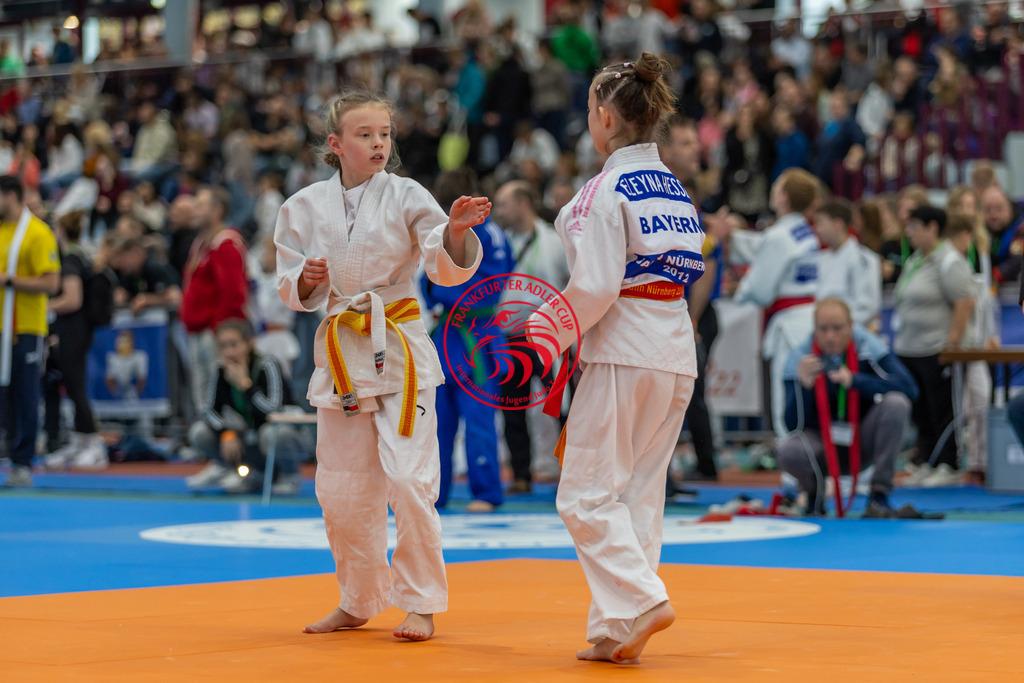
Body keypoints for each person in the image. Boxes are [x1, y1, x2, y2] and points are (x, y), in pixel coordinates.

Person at [275, 90, 491, 642]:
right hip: (343, 352)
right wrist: (307, 281)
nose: (378, 143)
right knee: (342, 488)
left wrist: (458, 231)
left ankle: (420, 602)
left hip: (398, 346)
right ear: (336, 144)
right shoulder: (301, 207)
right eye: (365, 134)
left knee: (409, 477)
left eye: (385, 134)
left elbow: (443, 265)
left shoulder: (407, 194)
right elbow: (288, 283)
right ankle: (358, 598)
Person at [527, 53, 705, 664]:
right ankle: (616, 624)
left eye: (588, 112)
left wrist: (543, 333)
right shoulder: (675, 189)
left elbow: (598, 287)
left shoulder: (601, 191)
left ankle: (641, 599)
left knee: (583, 495)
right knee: (637, 496)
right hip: (674, 351)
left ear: (604, 117)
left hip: (624, 351)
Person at [420, 168, 511, 513]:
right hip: (460, 333)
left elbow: (449, 285)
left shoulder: (474, 234)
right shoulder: (492, 233)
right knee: (442, 418)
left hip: (474, 333)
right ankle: (436, 494)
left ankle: (485, 492)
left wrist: (434, 296)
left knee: (475, 417)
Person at [778, 299, 918, 517]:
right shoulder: (800, 357)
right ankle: (815, 495)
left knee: (896, 404)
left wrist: (856, 380)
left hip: (861, 440)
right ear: (814, 330)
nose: (830, 336)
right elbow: (792, 426)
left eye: (838, 328)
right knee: (788, 450)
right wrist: (803, 388)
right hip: (821, 446)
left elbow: (909, 388)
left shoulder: (868, 346)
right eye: (823, 329)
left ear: (851, 327)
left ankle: (879, 496)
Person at [729, 168, 822, 438]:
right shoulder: (803, 231)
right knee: (807, 396)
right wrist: (732, 238)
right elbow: (765, 248)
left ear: (783, 197)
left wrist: (741, 288)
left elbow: (761, 291)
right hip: (807, 319)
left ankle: (793, 473)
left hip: (790, 326)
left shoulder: (779, 236)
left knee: (786, 400)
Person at [492, 179, 569, 494]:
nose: (498, 211)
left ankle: (571, 472)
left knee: (560, 406)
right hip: (509, 337)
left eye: (503, 204)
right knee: (513, 407)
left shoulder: (554, 241)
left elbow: (573, 282)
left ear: (523, 203)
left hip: (548, 337)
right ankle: (521, 474)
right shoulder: (498, 241)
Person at [659, 114, 723, 483]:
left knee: (684, 394)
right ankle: (666, 476)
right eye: (686, 144)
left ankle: (697, 465)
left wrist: (692, 318)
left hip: (687, 310)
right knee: (672, 396)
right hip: (672, 308)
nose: (695, 149)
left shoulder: (686, 198)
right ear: (664, 152)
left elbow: (706, 262)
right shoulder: (666, 193)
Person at [894, 206, 974, 487]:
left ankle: (948, 464)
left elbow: (965, 302)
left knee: (942, 409)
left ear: (932, 228)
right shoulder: (916, 259)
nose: (909, 232)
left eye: (915, 226)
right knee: (922, 411)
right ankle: (926, 460)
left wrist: (951, 345)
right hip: (910, 349)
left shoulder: (949, 260)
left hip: (936, 351)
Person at [184, 319, 305, 495]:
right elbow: (209, 411)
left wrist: (246, 386)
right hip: (251, 440)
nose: (229, 352)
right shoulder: (221, 371)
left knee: (272, 433)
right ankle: (243, 471)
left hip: (284, 436)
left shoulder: (267, 365)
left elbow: (273, 412)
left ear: (249, 343)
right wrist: (226, 432)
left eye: (234, 345)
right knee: (200, 432)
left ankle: (289, 475)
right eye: (223, 346)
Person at [0, 175, 61, 487]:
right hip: (0, 327)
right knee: (2, 396)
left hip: (25, 326)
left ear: (11, 196)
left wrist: (9, 281)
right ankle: (7, 451)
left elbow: (52, 283)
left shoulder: (37, 233)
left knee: (25, 394)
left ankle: (23, 462)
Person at [43, 211, 106, 469]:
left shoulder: (70, 261)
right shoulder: (80, 256)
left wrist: (45, 306)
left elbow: (72, 299)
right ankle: (80, 440)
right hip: (75, 331)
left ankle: (94, 443)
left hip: (74, 332)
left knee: (76, 387)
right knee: (70, 385)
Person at [179, 185, 248, 417]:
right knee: (201, 394)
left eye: (200, 205)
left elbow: (233, 294)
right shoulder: (201, 243)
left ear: (217, 210)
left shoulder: (225, 244)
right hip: (197, 329)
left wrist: (222, 333)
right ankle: (206, 439)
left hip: (214, 331)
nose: (194, 210)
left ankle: (226, 439)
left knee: (217, 391)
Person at [813, 198, 881, 330]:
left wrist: (840, 329)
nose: (817, 229)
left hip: (850, 334)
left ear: (837, 224)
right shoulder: (820, 258)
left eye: (820, 223)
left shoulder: (864, 259)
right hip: (822, 331)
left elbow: (867, 307)